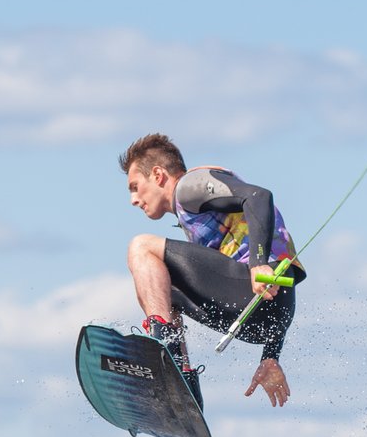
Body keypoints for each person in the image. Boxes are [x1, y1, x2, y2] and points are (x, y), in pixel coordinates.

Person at [119, 133, 305, 410]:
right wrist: (271, 356)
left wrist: (257, 263)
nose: (134, 199)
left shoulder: (189, 186)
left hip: (254, 287)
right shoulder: (191, 212)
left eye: (136, 186)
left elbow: (259, 197)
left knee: (140, 248)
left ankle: (164, 349)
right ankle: (183, 382)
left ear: (157, 175)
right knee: (158, 286)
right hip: (269, 318)